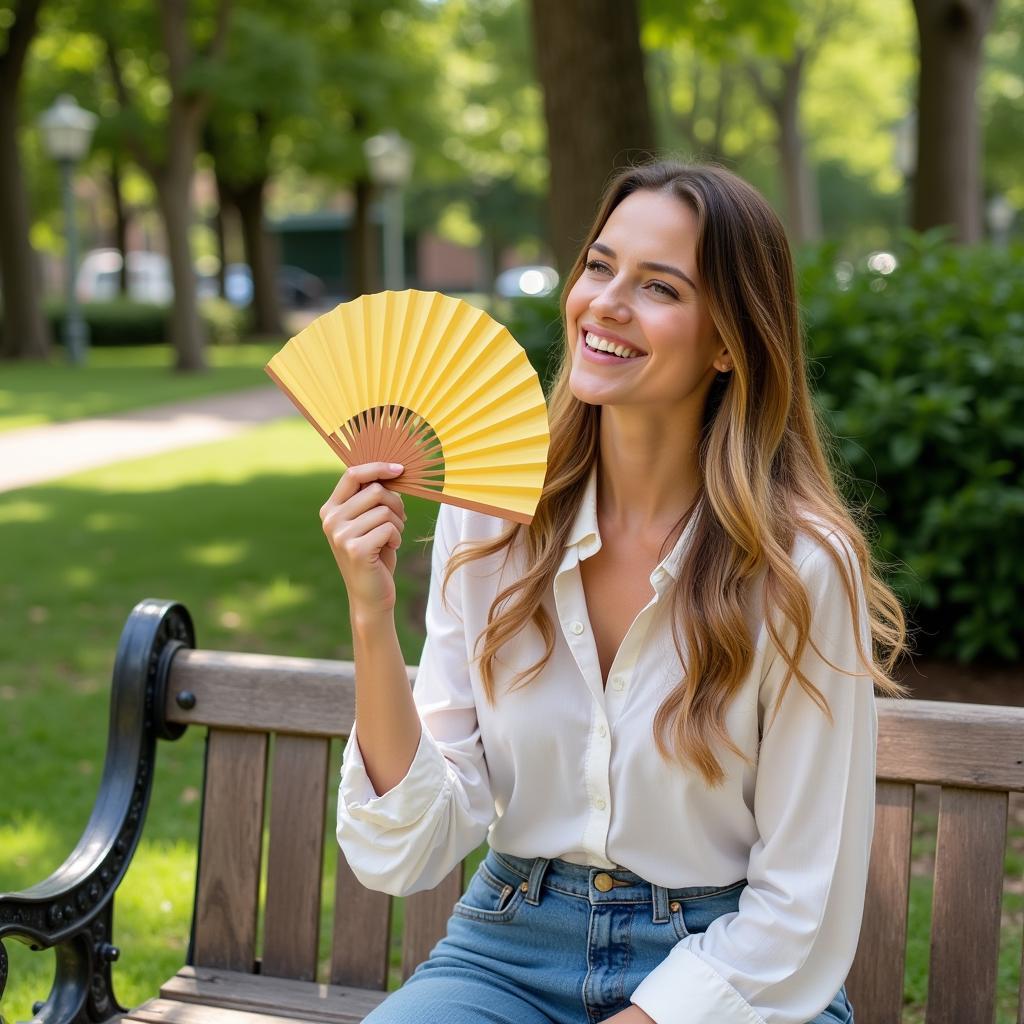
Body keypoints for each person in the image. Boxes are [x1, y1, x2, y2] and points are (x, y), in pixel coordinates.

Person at [321, 161, 911, 1024]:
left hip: (732, 967)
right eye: (599, 267)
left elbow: (799, 907)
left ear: (727, 342)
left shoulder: (801, 566)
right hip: (511, 948)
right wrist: (370, 614)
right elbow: (404, 852)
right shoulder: (489, 519)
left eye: (659, 286)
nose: (606, 302)